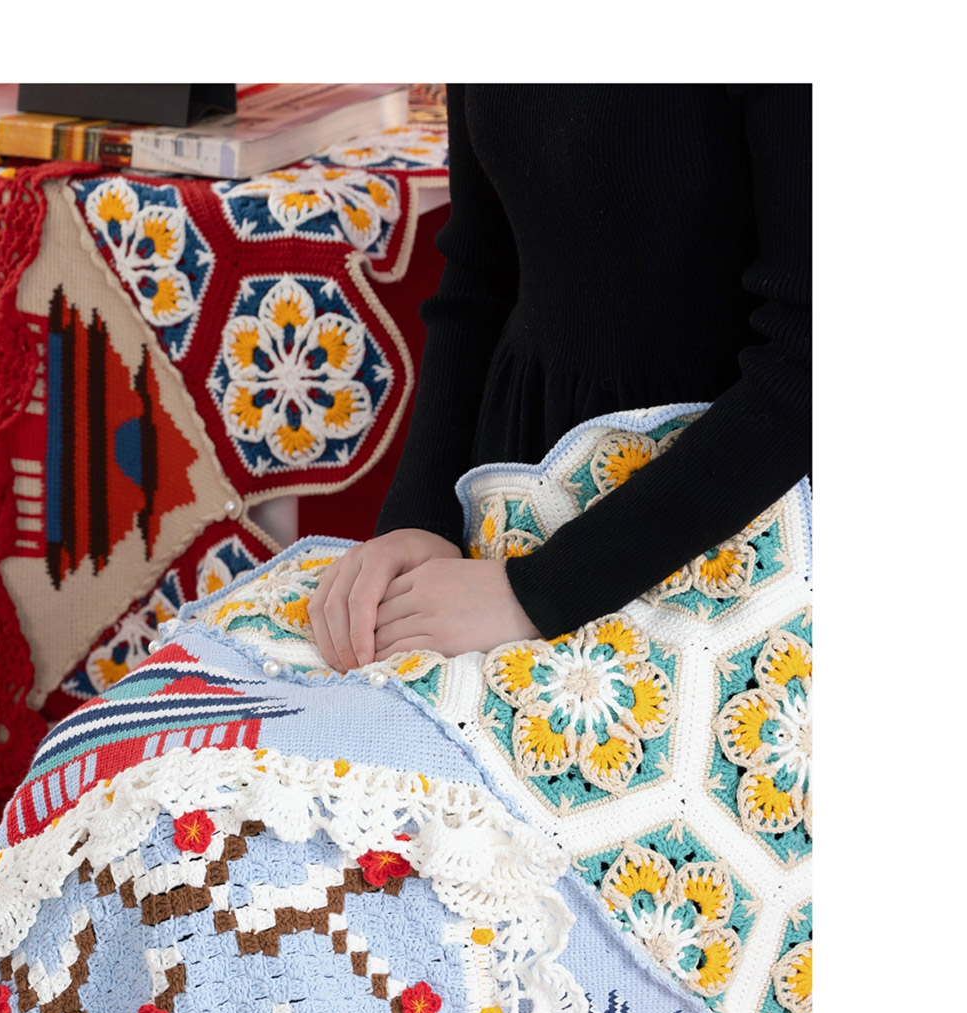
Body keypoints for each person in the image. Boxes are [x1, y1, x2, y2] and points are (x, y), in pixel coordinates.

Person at [310, 84, 810, 668]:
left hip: (724, 526)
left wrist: (543, 590)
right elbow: (481, 272)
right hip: (511, 494)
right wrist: (420, 517)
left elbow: (809, 362)